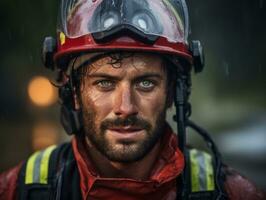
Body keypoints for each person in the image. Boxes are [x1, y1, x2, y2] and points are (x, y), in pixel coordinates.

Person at [0, 0, 265, 199]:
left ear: (174, 92)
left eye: (146, 83)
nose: (125, 107)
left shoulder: (231, 193)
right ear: (74, 93)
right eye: (104, 83)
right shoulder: (14, 191)